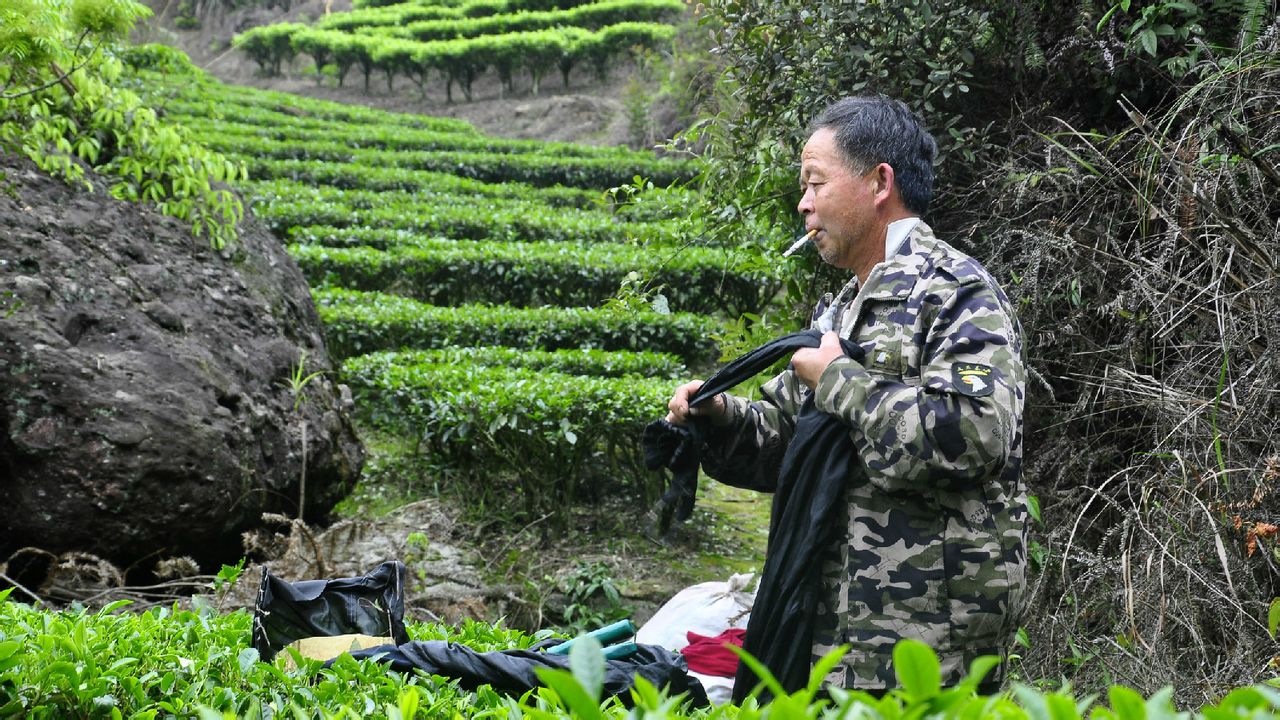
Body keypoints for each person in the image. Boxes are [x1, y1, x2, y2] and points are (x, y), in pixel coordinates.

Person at [665, 95, 1028, 694]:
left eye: (815, 182)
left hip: (926, 640)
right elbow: (787, 442)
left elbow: (972, 435)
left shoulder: (957, 293)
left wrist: (840, 380)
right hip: (832, 628)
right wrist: (720, 416)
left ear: (879, 182)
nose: (803, 204)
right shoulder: (840, 308)